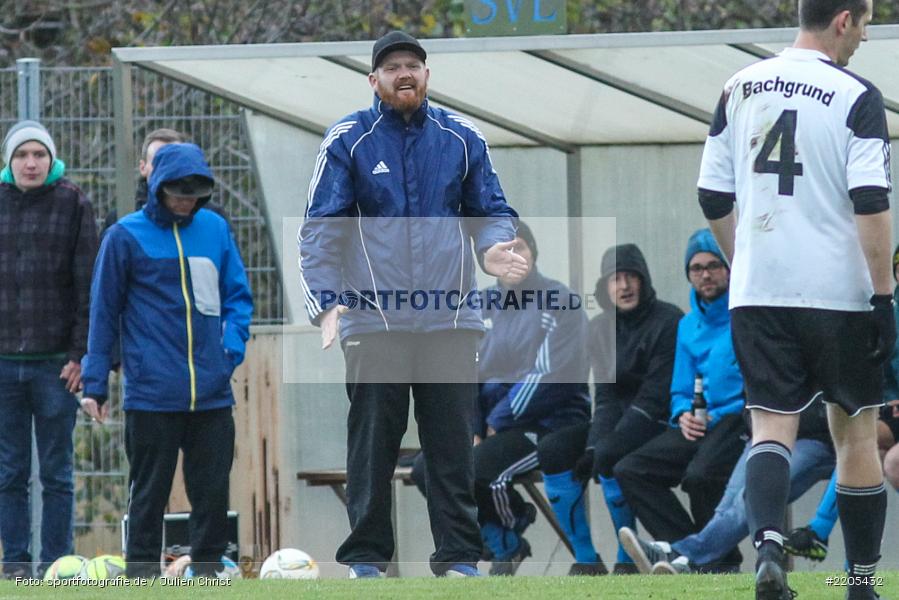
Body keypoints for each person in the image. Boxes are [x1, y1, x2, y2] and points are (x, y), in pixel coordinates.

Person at [298, 30, 524, 578]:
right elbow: (319, 231)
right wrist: (327, 305)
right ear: (373, 79)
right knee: (373, 445)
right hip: (374, 325)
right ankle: (366, 562)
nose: (405, 74)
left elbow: (491, 208)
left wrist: (495, 248)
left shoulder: (462, 137)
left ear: (428, 75)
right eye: (393, 66)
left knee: (451, 447)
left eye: (414, 65)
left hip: (452, 322)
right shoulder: (347, 140)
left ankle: (458, 560)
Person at [697, 1, 891, 598]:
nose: (863, 36)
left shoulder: (739, 85)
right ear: (842, 20)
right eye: (864, 23)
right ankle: (860, 582)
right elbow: (870, 203)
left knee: (770, 429)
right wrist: (883, 295)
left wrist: (744, 261)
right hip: (839, 291)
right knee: (855, 434)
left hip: (759, 290)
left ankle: (769, 550)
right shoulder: (857, 95)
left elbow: (711, 195)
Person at [81, 143, 253, 579]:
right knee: (148, 493)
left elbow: (238, 297)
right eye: (177, 191)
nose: (185, 200)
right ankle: (141, 574)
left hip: (212, 393)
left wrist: (230, 350)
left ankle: (210, 572)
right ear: (156, 187)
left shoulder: (215, 230)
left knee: (212, 491)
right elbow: (103, 313)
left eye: (194, 192)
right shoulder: (124, 236)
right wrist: (94, 383)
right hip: (151, 393)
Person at [411, 222, 591, 575]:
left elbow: (551, 376)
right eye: (502, 250)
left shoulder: (560, 302)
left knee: (476, 471)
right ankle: (502, 542)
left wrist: (496, 421)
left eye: (519, 248)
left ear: (533, 254)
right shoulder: (480, 307)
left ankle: (513, 522)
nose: (511, 257)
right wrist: (473, 427)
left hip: (549, 424)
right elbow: (467, 374)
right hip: (495, 426)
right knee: (426, 470)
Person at [535, 243, 682, 575]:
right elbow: (605, 398)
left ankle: (626, 558)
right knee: (553, 449)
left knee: (613, 455)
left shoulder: (669, 320)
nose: (624, 286)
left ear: (644, 281)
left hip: (660, 422)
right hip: (616, 421)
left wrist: (606, 446)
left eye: (631, 277)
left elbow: (655, 397)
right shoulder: (599, 328)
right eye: (615, 279)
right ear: (605, 288)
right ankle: (586, 560)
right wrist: (592, 446)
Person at [613, 229, 747, 570]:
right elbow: (679, 388)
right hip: (697, 422)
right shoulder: (687, 326)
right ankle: (693, 554)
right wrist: (682, 413)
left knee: (700, 476)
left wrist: (721, 415)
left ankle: (711, 557)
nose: (705, 274)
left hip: (739, 418)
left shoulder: (746, 315)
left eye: (714, 265)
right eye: (697, 268)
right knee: (630, 469)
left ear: (729, 269)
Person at [0, 120, 98, 578]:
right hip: (3, 366)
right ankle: (16, 566)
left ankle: (57, 566)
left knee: (57, 474)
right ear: (10, 160)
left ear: (51, 159)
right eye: (22, 155)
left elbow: (88, 286)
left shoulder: (73, 203)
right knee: (9, 473)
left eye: (39, 154)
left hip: (57, 366)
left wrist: (80, 353)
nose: (31, 162)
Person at [619, 395, 835, 575]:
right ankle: (690, 561)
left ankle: (681, 554)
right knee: (727, 505)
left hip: (814, 436)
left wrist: (820, 526)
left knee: (747, 498)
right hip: (767, 428)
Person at [102, 128, 231, 235]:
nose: (166, 169)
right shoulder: (120, 217)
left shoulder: (214, 218)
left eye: (174, 161)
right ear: (143, 167)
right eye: (158, 162)